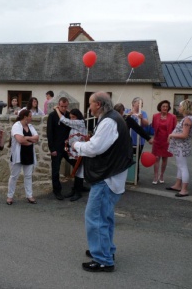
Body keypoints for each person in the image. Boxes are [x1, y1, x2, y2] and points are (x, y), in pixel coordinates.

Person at [71, 92, 134, 272]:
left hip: (107, 178)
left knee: (95, 217)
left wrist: (76, 145)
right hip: (112, 176)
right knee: (105, 217)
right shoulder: (113, 118)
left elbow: (95, 148)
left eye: (90, 104)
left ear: (98, 104)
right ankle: (105, 251)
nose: (89, 107)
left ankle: (103, 260)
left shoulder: (108, 121)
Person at [54, 107, 87, 201]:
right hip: (74, 151)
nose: (72, 119)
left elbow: (65, 120)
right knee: (77, 170)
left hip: (79, 151)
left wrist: (57, 110)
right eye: (71, 117)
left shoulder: (79, 122)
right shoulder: (77, 122)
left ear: (77, 117)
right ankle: (76, 189)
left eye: (73, 117)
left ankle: (78, 192)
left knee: (78, 171)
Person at [7, 109, 39, 205]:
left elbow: (36, 138)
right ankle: (10, 196)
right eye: (30, 116)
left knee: (28, 176)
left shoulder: (30, 126)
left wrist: (27, 138)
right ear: (25, 117)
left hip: (28, 154)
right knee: (14, 176)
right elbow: (20, 140)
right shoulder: (16, 126)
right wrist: (30, 140)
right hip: (18, 155)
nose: (31, 118)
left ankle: (29, 195)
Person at [166, 99, 192, 197]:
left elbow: (184, 135)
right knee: (180, 166)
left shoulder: (187, 120)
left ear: (185, 108)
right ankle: (178, 185)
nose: (179, 108)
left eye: (180, 106)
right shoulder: (189, 118)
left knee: (183, 167)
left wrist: (172, 135)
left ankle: (184, 189)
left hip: (182, 146)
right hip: (180, 146)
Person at [47, 97, 74, 200]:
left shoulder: (69, 115)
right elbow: (50, 133)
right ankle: (57, 191)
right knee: (55, 170)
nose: (63, 108)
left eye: (65, 106)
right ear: (58, 105)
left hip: (67, 147)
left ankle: (78, 186)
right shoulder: (52, 116)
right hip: (57, 147)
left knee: (76, 164)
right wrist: (52, 149)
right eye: (62, 106)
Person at [151, 100, 177, 184]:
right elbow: (153, 127)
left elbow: (175, 129)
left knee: (165, 158)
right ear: (160, 107)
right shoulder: (155, 116)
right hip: (157, 140)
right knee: (156, 158)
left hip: (167, 140)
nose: (165, 108)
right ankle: (155, 176)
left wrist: (173, 139)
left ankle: (161, 175)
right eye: (163, 106)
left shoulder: (173, 117)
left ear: (168, 108)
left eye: (166, 106)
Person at [124, 97, 149, 180]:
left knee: (136, 159)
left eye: (141, 104)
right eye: (138, 103)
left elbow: (146, 124)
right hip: (127, 140)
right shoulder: (127, 111)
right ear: (133, 103)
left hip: (139, 140)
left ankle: (135, 177)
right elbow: (121, 120)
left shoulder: (143, 113)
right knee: (126, 158)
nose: (140, 105)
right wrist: (128, 115)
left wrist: (141, 118)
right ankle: (127, 176)